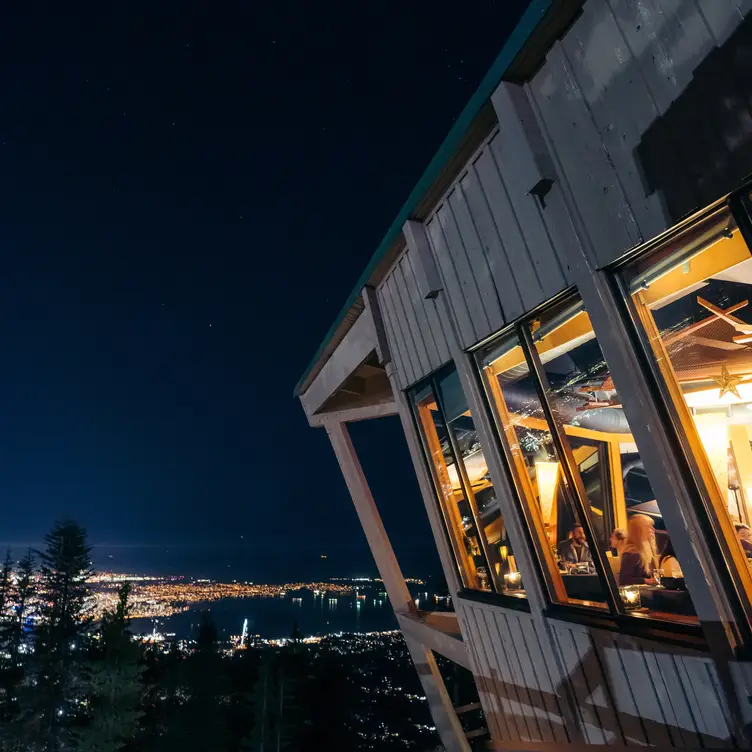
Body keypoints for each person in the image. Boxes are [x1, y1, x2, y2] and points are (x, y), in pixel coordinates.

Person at [619, 514, 658, 586]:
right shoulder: (631, 552)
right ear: (637, 530)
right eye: (648, 526)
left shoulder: (648, 550)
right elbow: (624, 580)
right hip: (638, 594)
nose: (653, 529)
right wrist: (646, 581)